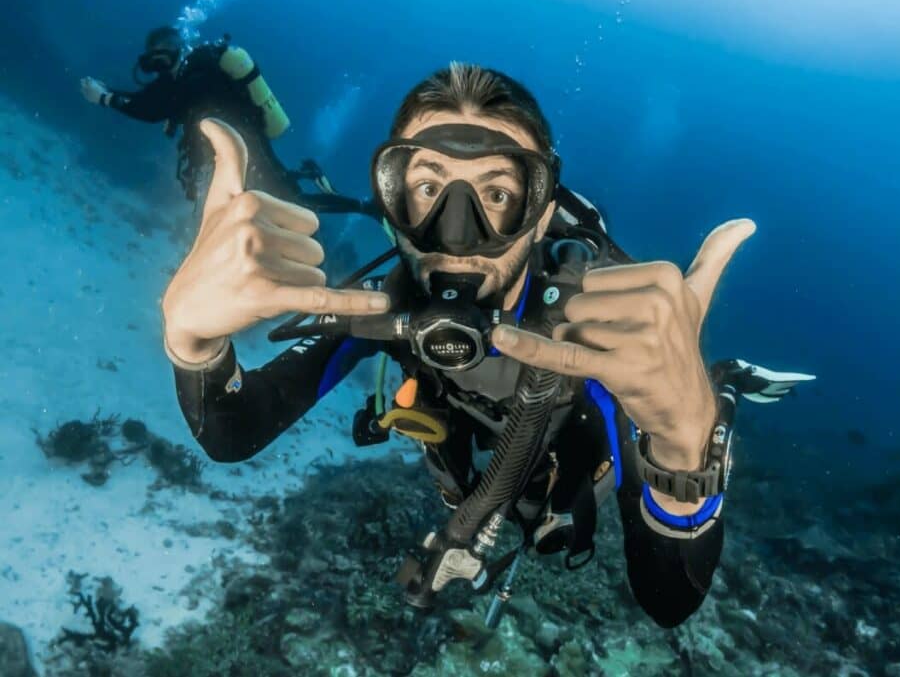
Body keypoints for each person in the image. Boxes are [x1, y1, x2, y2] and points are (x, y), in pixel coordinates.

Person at [159, 63, 813, 628]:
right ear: (392, 203)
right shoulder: (384, 301)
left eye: (498, 193)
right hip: (474, 473)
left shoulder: (593, 332)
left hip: (571, 467)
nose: (457, 231)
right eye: (426, 187)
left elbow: (669, 598)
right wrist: (191, 340)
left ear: (539, 215)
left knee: (596, 478)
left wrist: (683, 446)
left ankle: (718, 385)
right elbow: (232, 431)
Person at [80, 25, 371, 216]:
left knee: (292, 203)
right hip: (239, 148)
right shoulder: (184, 77)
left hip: (247, 147)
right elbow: (152, 101)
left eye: (165, 47)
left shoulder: (197, 75)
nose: (160, 59)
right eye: (157, 50)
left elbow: (152, 109)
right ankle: (307, 174)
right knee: (265, 196)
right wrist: (109, 92)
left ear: (175, 47)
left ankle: (364, 207)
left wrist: (106, 99)